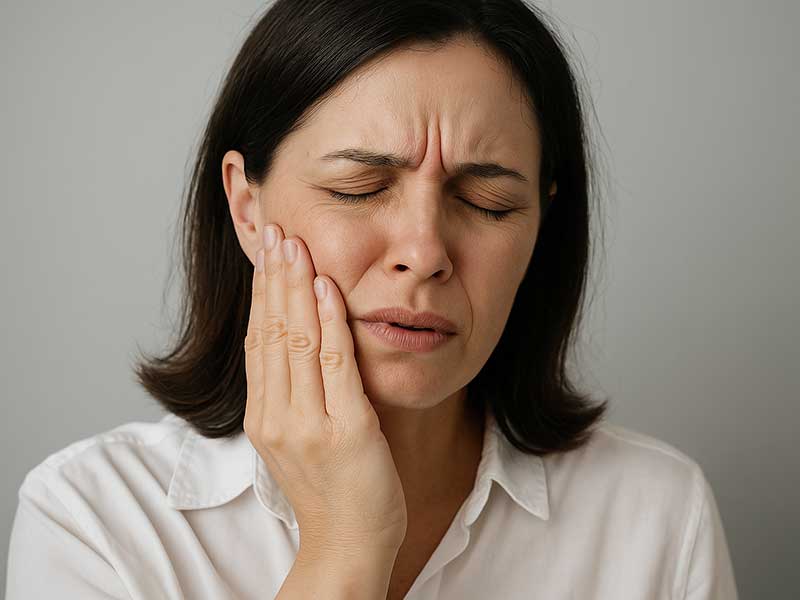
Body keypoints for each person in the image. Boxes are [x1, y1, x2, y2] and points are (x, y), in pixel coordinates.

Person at [5, 1, 739, 598]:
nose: (424, 252)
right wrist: (343, 546)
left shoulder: (656, 513)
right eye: (358, 189)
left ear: (542, 224)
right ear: (247, 208)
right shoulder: (94, 519)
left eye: (487, 203)